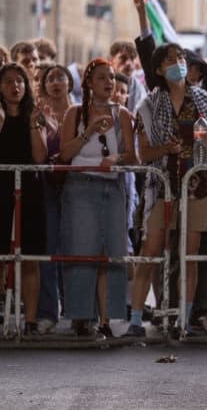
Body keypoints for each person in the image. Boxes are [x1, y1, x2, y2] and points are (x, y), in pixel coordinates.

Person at [126, 43, 207, 338]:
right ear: (158, 69)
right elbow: (144, 153)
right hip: (162, 186)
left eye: (180, 57)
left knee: (189, 254)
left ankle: (185, 317)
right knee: (150, 250)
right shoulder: (149, 104)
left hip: (198, 187)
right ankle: (135, 319)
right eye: (170, 59)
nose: (178, 63)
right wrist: (165, 148)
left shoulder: (206, 101)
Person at [59, 58, 136, 337]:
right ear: (89, 83)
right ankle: (81, 315)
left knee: (109, 253)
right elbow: (66, 154)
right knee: (82, 251)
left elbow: (133, 156)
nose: (109, 83)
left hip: (112, 187)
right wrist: (89, 130)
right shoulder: (75, 113)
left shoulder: (123, 115)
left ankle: (106, 319)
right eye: (102, 77)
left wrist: (116, 158)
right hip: (80, 187)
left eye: (112, 77)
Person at [0, 63, 48, 338]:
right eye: (8, 81)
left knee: (30, 257)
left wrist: (33, 124)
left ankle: (30, 321)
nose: (14, 86)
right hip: (1, 188)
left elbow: (40, 157)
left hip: (28, 190)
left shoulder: (33, 115)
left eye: (19, 81)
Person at [35, 64, 74, 334]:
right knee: (48, 248)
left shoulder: (82, 112)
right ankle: (47, 311)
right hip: (47, 186)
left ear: (70, 83)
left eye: (61, 77)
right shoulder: (38, 114)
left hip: (76, 183)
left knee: (75, 247)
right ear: (44, 85)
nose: (56, 82)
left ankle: (77, 311)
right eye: (50, 78)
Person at [108, 40, 146, 113]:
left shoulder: (138, 88)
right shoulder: (101, 82)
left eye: (132, 58)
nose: (128, 63)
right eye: (123, 58)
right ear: (111, 61)